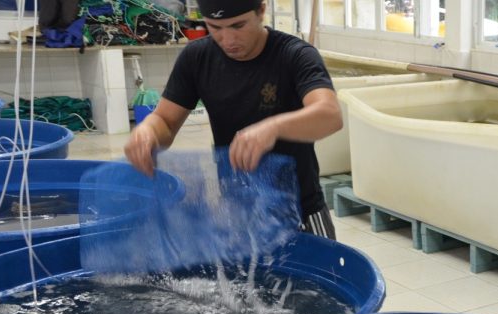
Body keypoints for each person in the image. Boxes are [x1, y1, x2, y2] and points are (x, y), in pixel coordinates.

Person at [124, 0, 342, 238]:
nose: (228, 40)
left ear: (261, 11)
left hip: (302, 209)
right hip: (238, 211)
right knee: (243, 276)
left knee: (319, 274)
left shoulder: (294, 55)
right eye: (215, 28)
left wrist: (273, 128)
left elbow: (330, 114)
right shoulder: (197, 58)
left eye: (238, 26)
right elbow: (165, 120)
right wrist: (147, 133)